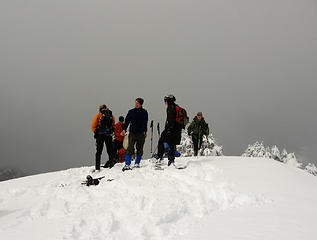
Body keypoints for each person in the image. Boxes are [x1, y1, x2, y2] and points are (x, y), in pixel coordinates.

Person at [121, 98, 148, 171]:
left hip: (141, 133)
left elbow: (145, 122)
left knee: (140, 148)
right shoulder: (131, 112)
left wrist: (145, 131)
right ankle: (127, 163)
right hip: (132, 133)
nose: (136, 104)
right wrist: (124, 129)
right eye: (135, 103)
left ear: (141, 104)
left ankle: (137, 163)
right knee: (129, 148)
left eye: (137, 103)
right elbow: (126, 121)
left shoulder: (144, 112)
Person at [156, 94, 183, 166]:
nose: (165, 102)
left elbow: (170, 120)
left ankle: (160, 157)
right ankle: (171, 160)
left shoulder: (170, 108)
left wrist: (168, 129)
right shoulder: (175, 106)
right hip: (176, 129)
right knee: (172, 144)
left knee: (161, 141)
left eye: (165, 101)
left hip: (171, 129)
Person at [91, 104, 116, 171]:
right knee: (110, 151)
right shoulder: (111, 115)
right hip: (108, 135)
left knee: (99, 151)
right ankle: (111, 165)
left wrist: (96, 132)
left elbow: (93, 126)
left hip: (100, 135)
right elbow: (113, 124)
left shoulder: (98, 115)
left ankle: (97, 167)